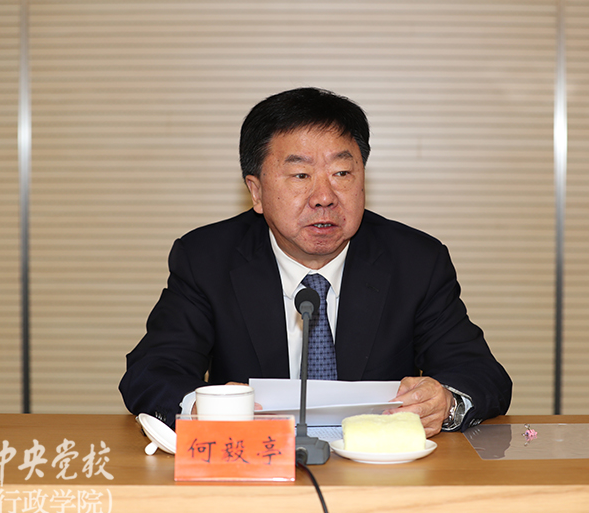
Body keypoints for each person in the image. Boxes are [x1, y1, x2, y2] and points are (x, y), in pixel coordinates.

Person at [119, 87, 511, 436]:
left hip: (379, 471)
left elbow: (480, 374)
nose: (324, 197)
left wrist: (446, 403)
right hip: (255, 471)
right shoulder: (206, 259)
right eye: (301, 175)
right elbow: (152, 371)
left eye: (342, 172)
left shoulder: (415, 261)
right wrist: (202, 408)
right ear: (256, 192)